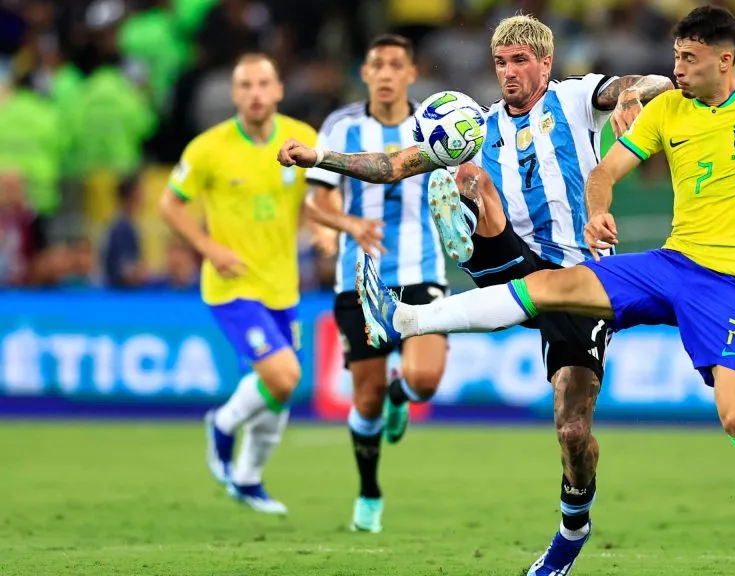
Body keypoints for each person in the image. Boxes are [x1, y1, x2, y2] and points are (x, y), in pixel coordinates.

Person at [352, 6, 735, 576]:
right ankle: (405, 317)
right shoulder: (667, 111)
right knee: (544, 287)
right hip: (670, 265)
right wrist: (597, 215)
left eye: (689, 58)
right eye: (675, 57)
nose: (678, 68)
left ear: (725, 59)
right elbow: (604, 172)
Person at [278, 14, 674, 574]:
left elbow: (644, 83)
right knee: (461, 174)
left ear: (544, 63)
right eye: (500, 63)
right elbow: (393, 164)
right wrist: (321, 158)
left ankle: (573, 527)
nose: (509, 73)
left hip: (582, 283)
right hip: (512, 268)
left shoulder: (579, 98)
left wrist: (637, 96)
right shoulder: (478, 127)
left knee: (572, 429)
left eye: (519, 61)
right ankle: (460, 248)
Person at [159, 53, 351, 515]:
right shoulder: (208, 148)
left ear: (279, 89)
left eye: (264, 83)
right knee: (284, 376)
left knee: (280, 393)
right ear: (234, 93)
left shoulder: (302, 138)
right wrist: (209, 248)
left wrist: (325, 230)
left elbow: (318, 199)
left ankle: (247, 478)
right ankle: (222, 424)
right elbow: (169, 204)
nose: (256, 93)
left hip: (283, 286)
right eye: (245, 85)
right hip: (232, 286)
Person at [302, 34, 449, 534]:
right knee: (362, 399)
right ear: (365, 73)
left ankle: (400, 396)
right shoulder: (341, 127)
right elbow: (315, 202)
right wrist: (347, 226)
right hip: (358, 281)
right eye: (377, 64)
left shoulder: (431, 125)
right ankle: (369, 490)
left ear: (411, 74)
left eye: (395, 65)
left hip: (423, 273)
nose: (386, 73)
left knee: (425, 380)